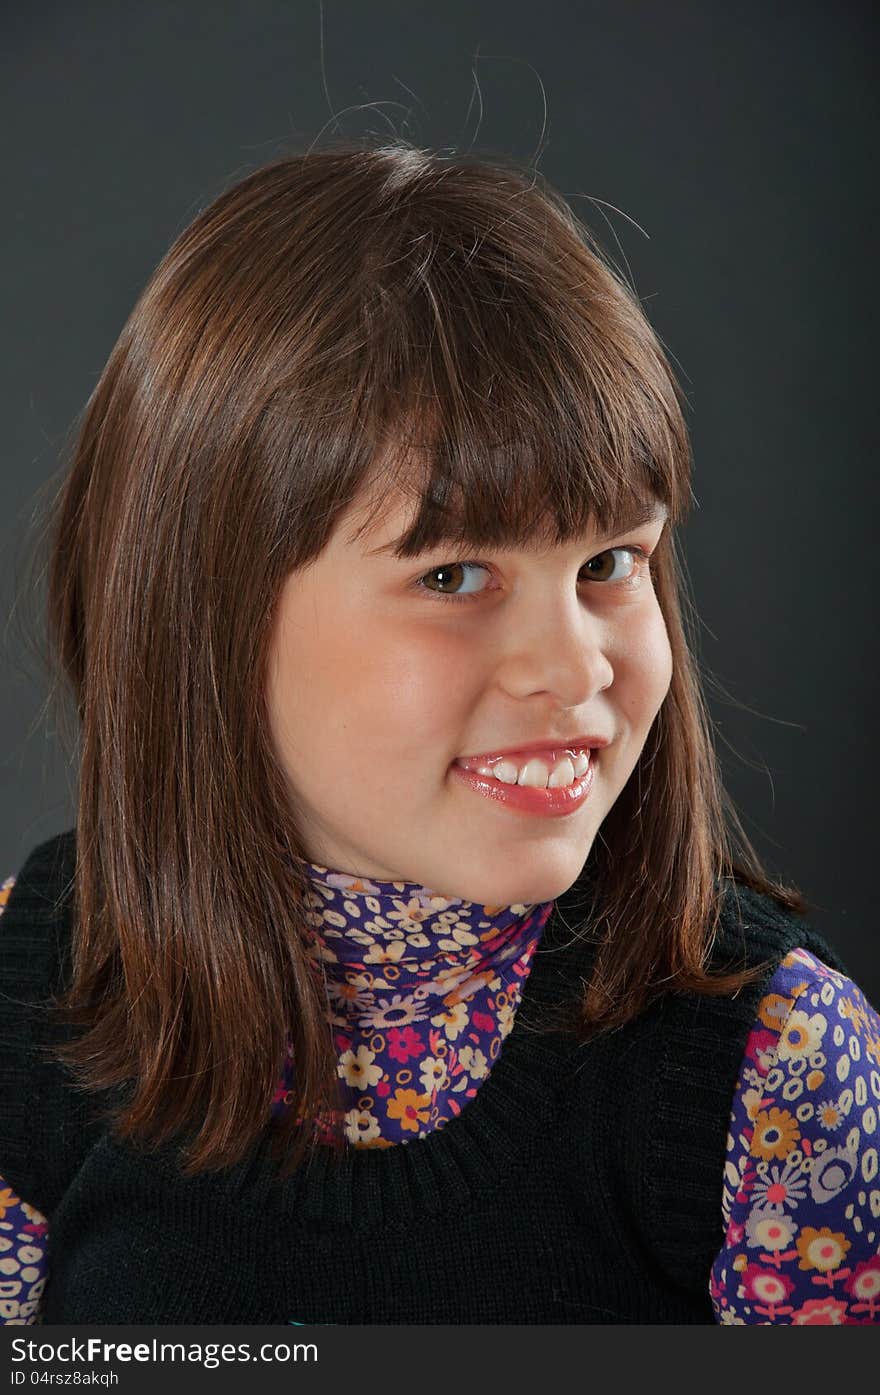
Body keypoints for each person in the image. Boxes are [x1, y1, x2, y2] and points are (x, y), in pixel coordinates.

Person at [1, 140, 878, 1327]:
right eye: (455, 573)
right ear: (205, 611)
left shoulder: (775, 1072)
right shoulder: (40, 972)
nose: (574, 667)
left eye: (609, 562)